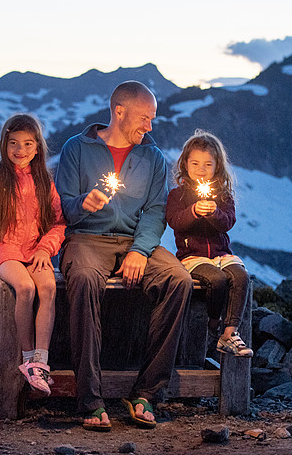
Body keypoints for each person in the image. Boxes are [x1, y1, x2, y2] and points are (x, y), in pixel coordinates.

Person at [55, 80, 193, 431]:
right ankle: (90, 398)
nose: (149, 126)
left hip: (135, 240)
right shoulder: (77, 149)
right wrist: (82, 204)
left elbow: (155, 210)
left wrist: (139, 250)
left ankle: (146, 392)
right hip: (87, 238)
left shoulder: (153, 157)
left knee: (178, 280)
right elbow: (64, 207)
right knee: (85, 279)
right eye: (145, 118)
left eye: (152, 119)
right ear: (119, 111)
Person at [0, 113, 65, 395]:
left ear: (38, 147)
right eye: (14, 143)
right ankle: (28, 358)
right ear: (4, 144)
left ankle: (41, 361)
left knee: (49, 288)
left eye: (28, 144)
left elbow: (58, 222)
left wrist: (46, 247)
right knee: (25, 287)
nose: (20, 150)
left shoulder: (43, 181)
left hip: (35, 249)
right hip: (4, 248)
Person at [165, 129, 253, 359]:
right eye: (195, 164)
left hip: (222, 254)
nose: (201, 170)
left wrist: (214, 212)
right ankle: (214, 323)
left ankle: (230, 332)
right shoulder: (178, 195)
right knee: (216, 279)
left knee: (241, 276)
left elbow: (228, 223)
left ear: (217, 167)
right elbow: (175, 222)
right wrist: (194, 211)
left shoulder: (223, 195)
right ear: (185, 164)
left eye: (207, 165)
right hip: (192, 256)